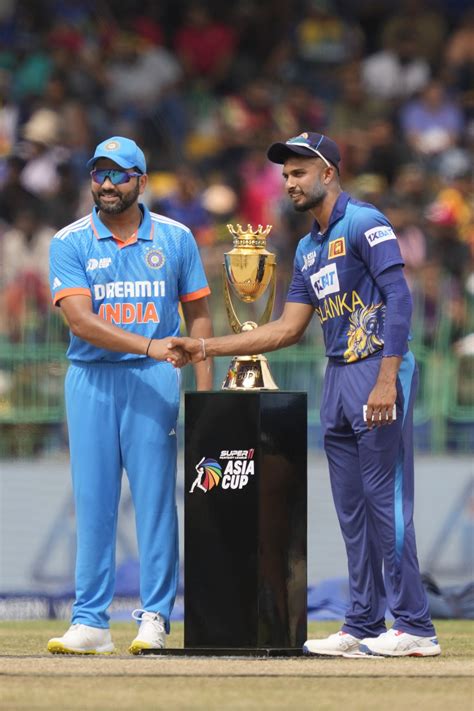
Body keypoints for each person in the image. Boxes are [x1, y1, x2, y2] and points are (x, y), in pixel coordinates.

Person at [168, 132, 441, 658]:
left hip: (376, 369)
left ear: (328, 173)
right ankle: (362, 623)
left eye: (299, 172)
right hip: (337, 374)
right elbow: (286, 329)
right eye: (286, 175)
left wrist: (387, 378)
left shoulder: (365, 222)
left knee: (387, 503)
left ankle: (415, 627)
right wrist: (207, 345)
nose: (289, 183)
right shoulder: (308, 247)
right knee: (351, 509)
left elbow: (399, 300)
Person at [47, 136, 213, 655]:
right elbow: (80, 321)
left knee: (156, 502)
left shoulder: (177, 237)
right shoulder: (70, 241)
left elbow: (199, 318)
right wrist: (150, 343)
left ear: (142, 180)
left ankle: (156, 617)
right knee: (92, 501)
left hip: (154, 377)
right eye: (98, 174)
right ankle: (91, 621)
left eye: (119, 174)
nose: (107, 184)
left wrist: (205, 402)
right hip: (91, 378)